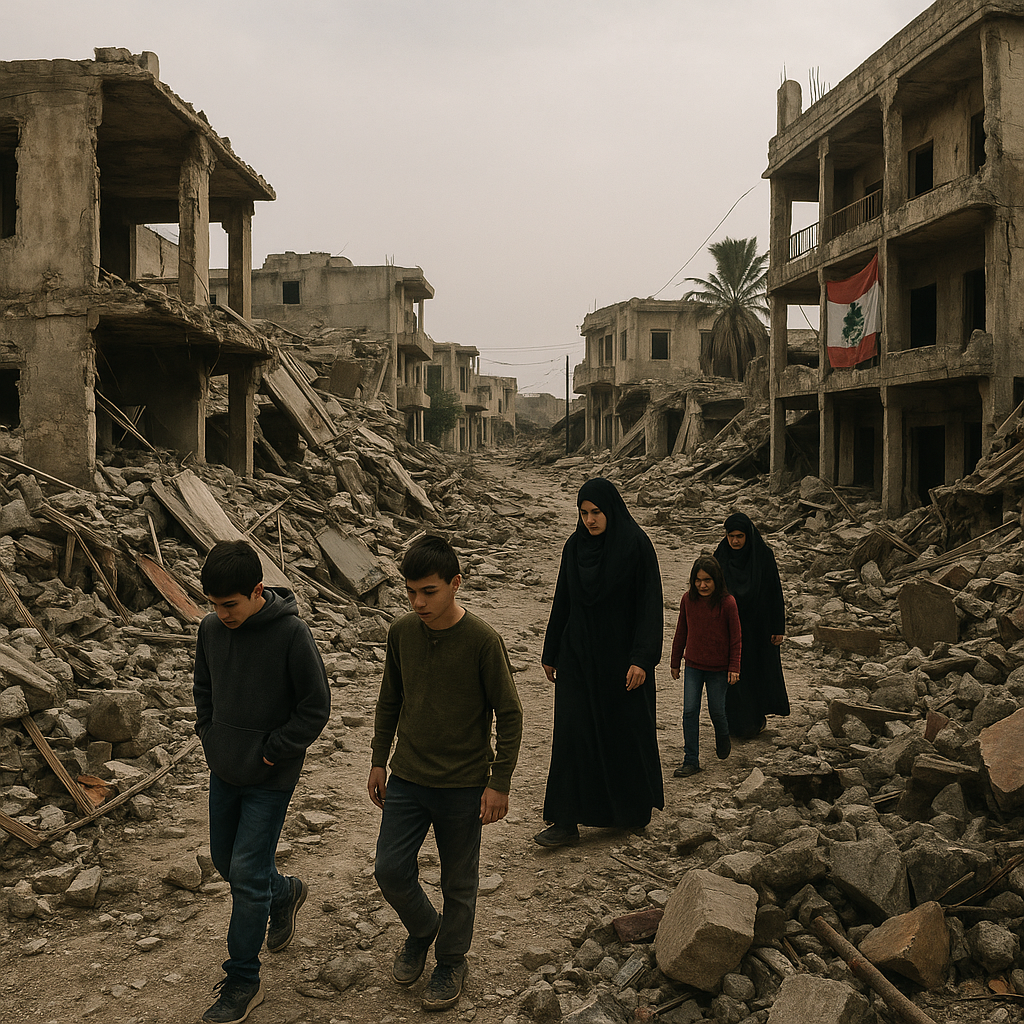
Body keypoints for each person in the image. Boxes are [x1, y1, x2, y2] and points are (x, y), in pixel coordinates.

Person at [368, 535, 523, 1013]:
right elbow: (390, 698)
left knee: (459, 881)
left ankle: (451, 960)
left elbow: (510, 713)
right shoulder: (401, 633)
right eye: (411, 592)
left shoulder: (482, 640)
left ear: (456, 584)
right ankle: (422, 929)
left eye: (429, 591)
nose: (418, 603)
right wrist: (378, 758)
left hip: (463, 785)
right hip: (409, 777)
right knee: (390, 869)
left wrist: (499, 782)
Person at [193, 539, 330, 1024]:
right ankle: (285, 892)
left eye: (229, 604)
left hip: (271, 778)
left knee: (246, 876)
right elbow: (203, 690)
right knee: (228, 863)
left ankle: (243, 981)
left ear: (256, 591)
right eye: (213, 603)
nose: (221, 613)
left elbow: (315, 707)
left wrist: (274, 749)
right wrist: (210, 735)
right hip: (224, 769)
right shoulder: (210, 629)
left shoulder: (292, 634)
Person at [535, 477, 664, 848]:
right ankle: (565, 820)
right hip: (578, 655)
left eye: (596, 512)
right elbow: (564, 599)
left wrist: (642, 658)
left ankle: (631, 810)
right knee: (573, 735)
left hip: (621, 661)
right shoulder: (574, 547)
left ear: (611, 510)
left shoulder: (635, 546)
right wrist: (550, 651)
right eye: (584, 513)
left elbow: (649, 607)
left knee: (623, 732)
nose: (590, 520)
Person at [713, 511, 789, 739]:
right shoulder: (721, 556)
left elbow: (775, 591)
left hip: (758, 628)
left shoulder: (763, 556)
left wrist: (778, 627)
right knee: (732, 675)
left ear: (748, 536)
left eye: (739, 536)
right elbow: (710, 591)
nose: (735, 541)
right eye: (731, 536)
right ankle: (733, 722)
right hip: (730, 628)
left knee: (756, 672)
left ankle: (754, 720)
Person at [669, 554, 741, 777]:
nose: (702, 585)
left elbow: (736, 637)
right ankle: (691, 760)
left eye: (707, 580)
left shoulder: (728, 603)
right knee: (689, 711)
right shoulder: (687, 600)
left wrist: (734, 667)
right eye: (698, 580)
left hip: (718, 669)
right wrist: (675, 661)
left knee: (717, 711)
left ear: (716, 580)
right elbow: (681, 631)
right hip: (693, 666)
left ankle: (722, 734)